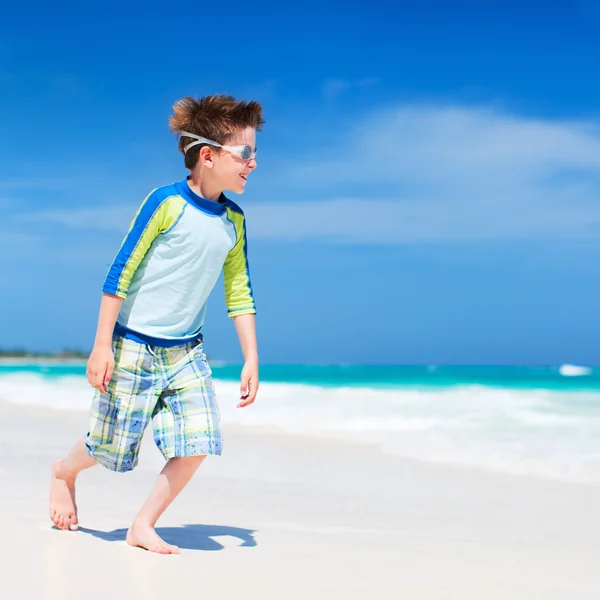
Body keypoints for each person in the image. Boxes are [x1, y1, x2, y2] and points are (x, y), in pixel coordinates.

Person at [49, 94, 265, 554]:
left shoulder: (233, 221)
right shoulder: (165, 203)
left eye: (255, 154)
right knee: (109, 448)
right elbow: (119, 273)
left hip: (186, 351)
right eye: (245, 153)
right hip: (132, 345)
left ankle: (142, 525)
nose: (253, 163)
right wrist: (101, 345)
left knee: (200, 438)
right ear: (207, 155)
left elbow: (239, 291)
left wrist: (251, 356)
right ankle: (64, 472)